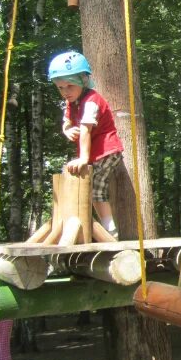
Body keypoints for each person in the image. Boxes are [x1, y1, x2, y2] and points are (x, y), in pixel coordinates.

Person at [48, 51, 124, 239]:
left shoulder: (91, 102)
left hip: (107, 150)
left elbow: (85, 131)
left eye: (70, 86)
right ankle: (89, 229)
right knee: (87, 188)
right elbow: (66, 121)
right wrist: (66, 130)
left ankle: (110, 231)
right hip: (94, 153)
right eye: (60, 88)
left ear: (83, 80)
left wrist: (83, 158)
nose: (65, 91)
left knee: (95, 189)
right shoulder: (71, 102)